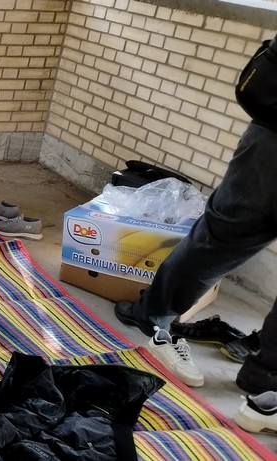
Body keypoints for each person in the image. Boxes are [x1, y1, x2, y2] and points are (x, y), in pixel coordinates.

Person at [115, 35, 277, 393]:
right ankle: (267, 375)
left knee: (216, 239)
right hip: (268, 140)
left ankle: (153, 314)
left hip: (268, 143)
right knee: (215, 238)